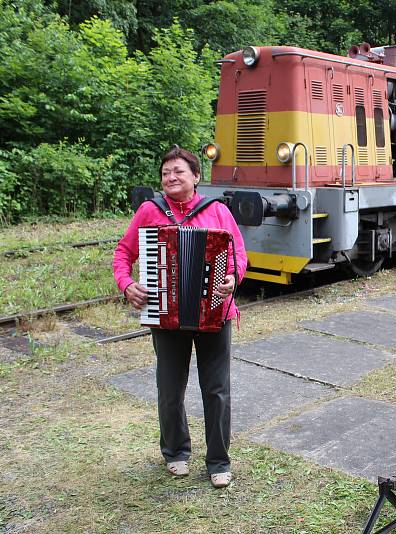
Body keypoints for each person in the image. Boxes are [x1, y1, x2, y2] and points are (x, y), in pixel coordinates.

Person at [113, 146, 248, 489]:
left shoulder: (216, 211)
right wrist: (127, 284)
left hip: (215, 314)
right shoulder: (149, 210)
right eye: (165, 173)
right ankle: (175, 452)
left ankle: (218, 460)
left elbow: (239, 255)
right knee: (169, 388)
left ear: (196, 177)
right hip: (166, 313)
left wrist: (232, 278)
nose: (170, 178)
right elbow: (123, 253)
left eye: (178, 172)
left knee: (216, 389)